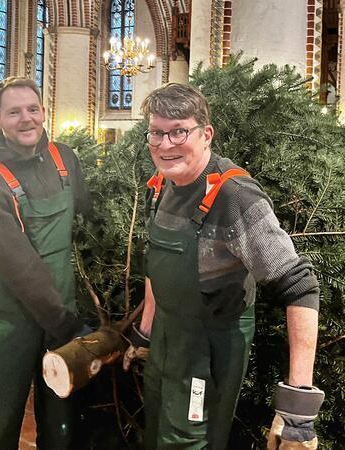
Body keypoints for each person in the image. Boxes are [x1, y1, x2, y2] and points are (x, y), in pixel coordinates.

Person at [123, 83, 324, 449]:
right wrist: (146, 331)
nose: (165, 145)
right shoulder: (162, 184)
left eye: (179, 131)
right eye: (156, 132)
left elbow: (300, 286)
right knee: (156, 438)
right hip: (167, 339)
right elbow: (157, 265)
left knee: (189, 442)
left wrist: (299, 407)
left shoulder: (233, 196)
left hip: (208, 348)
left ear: (206, 134)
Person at [0, 76, 92, 449]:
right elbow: (19, 267)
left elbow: (88, 221)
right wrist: (68, 324)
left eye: (33, 109)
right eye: (14, 112)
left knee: (62, 428)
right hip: (9, 322)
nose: (26, 119)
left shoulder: (64, 158)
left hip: (61, 313)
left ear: (43, 112)